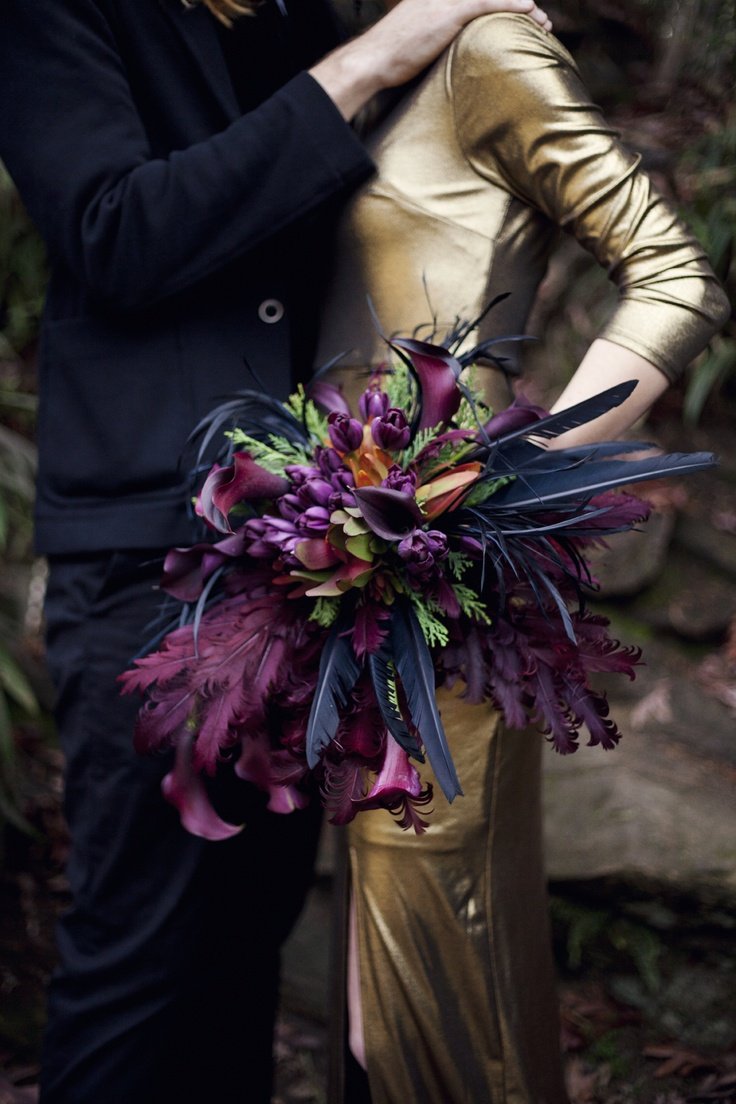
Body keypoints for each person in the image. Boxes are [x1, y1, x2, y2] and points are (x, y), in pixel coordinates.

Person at [0, 0, 555, 1101]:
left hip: (311, 551)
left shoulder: (295, 18)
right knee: (140, 967)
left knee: (235, 962)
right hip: (150, 542)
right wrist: (381, 51)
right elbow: (118, 232)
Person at [316, 8, 730, 1103]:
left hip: (445, 577)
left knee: (436, 983)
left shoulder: (490, 47)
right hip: (327, 570)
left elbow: (677, 276)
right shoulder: (357, 49)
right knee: (380, 988)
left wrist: (509, 478)